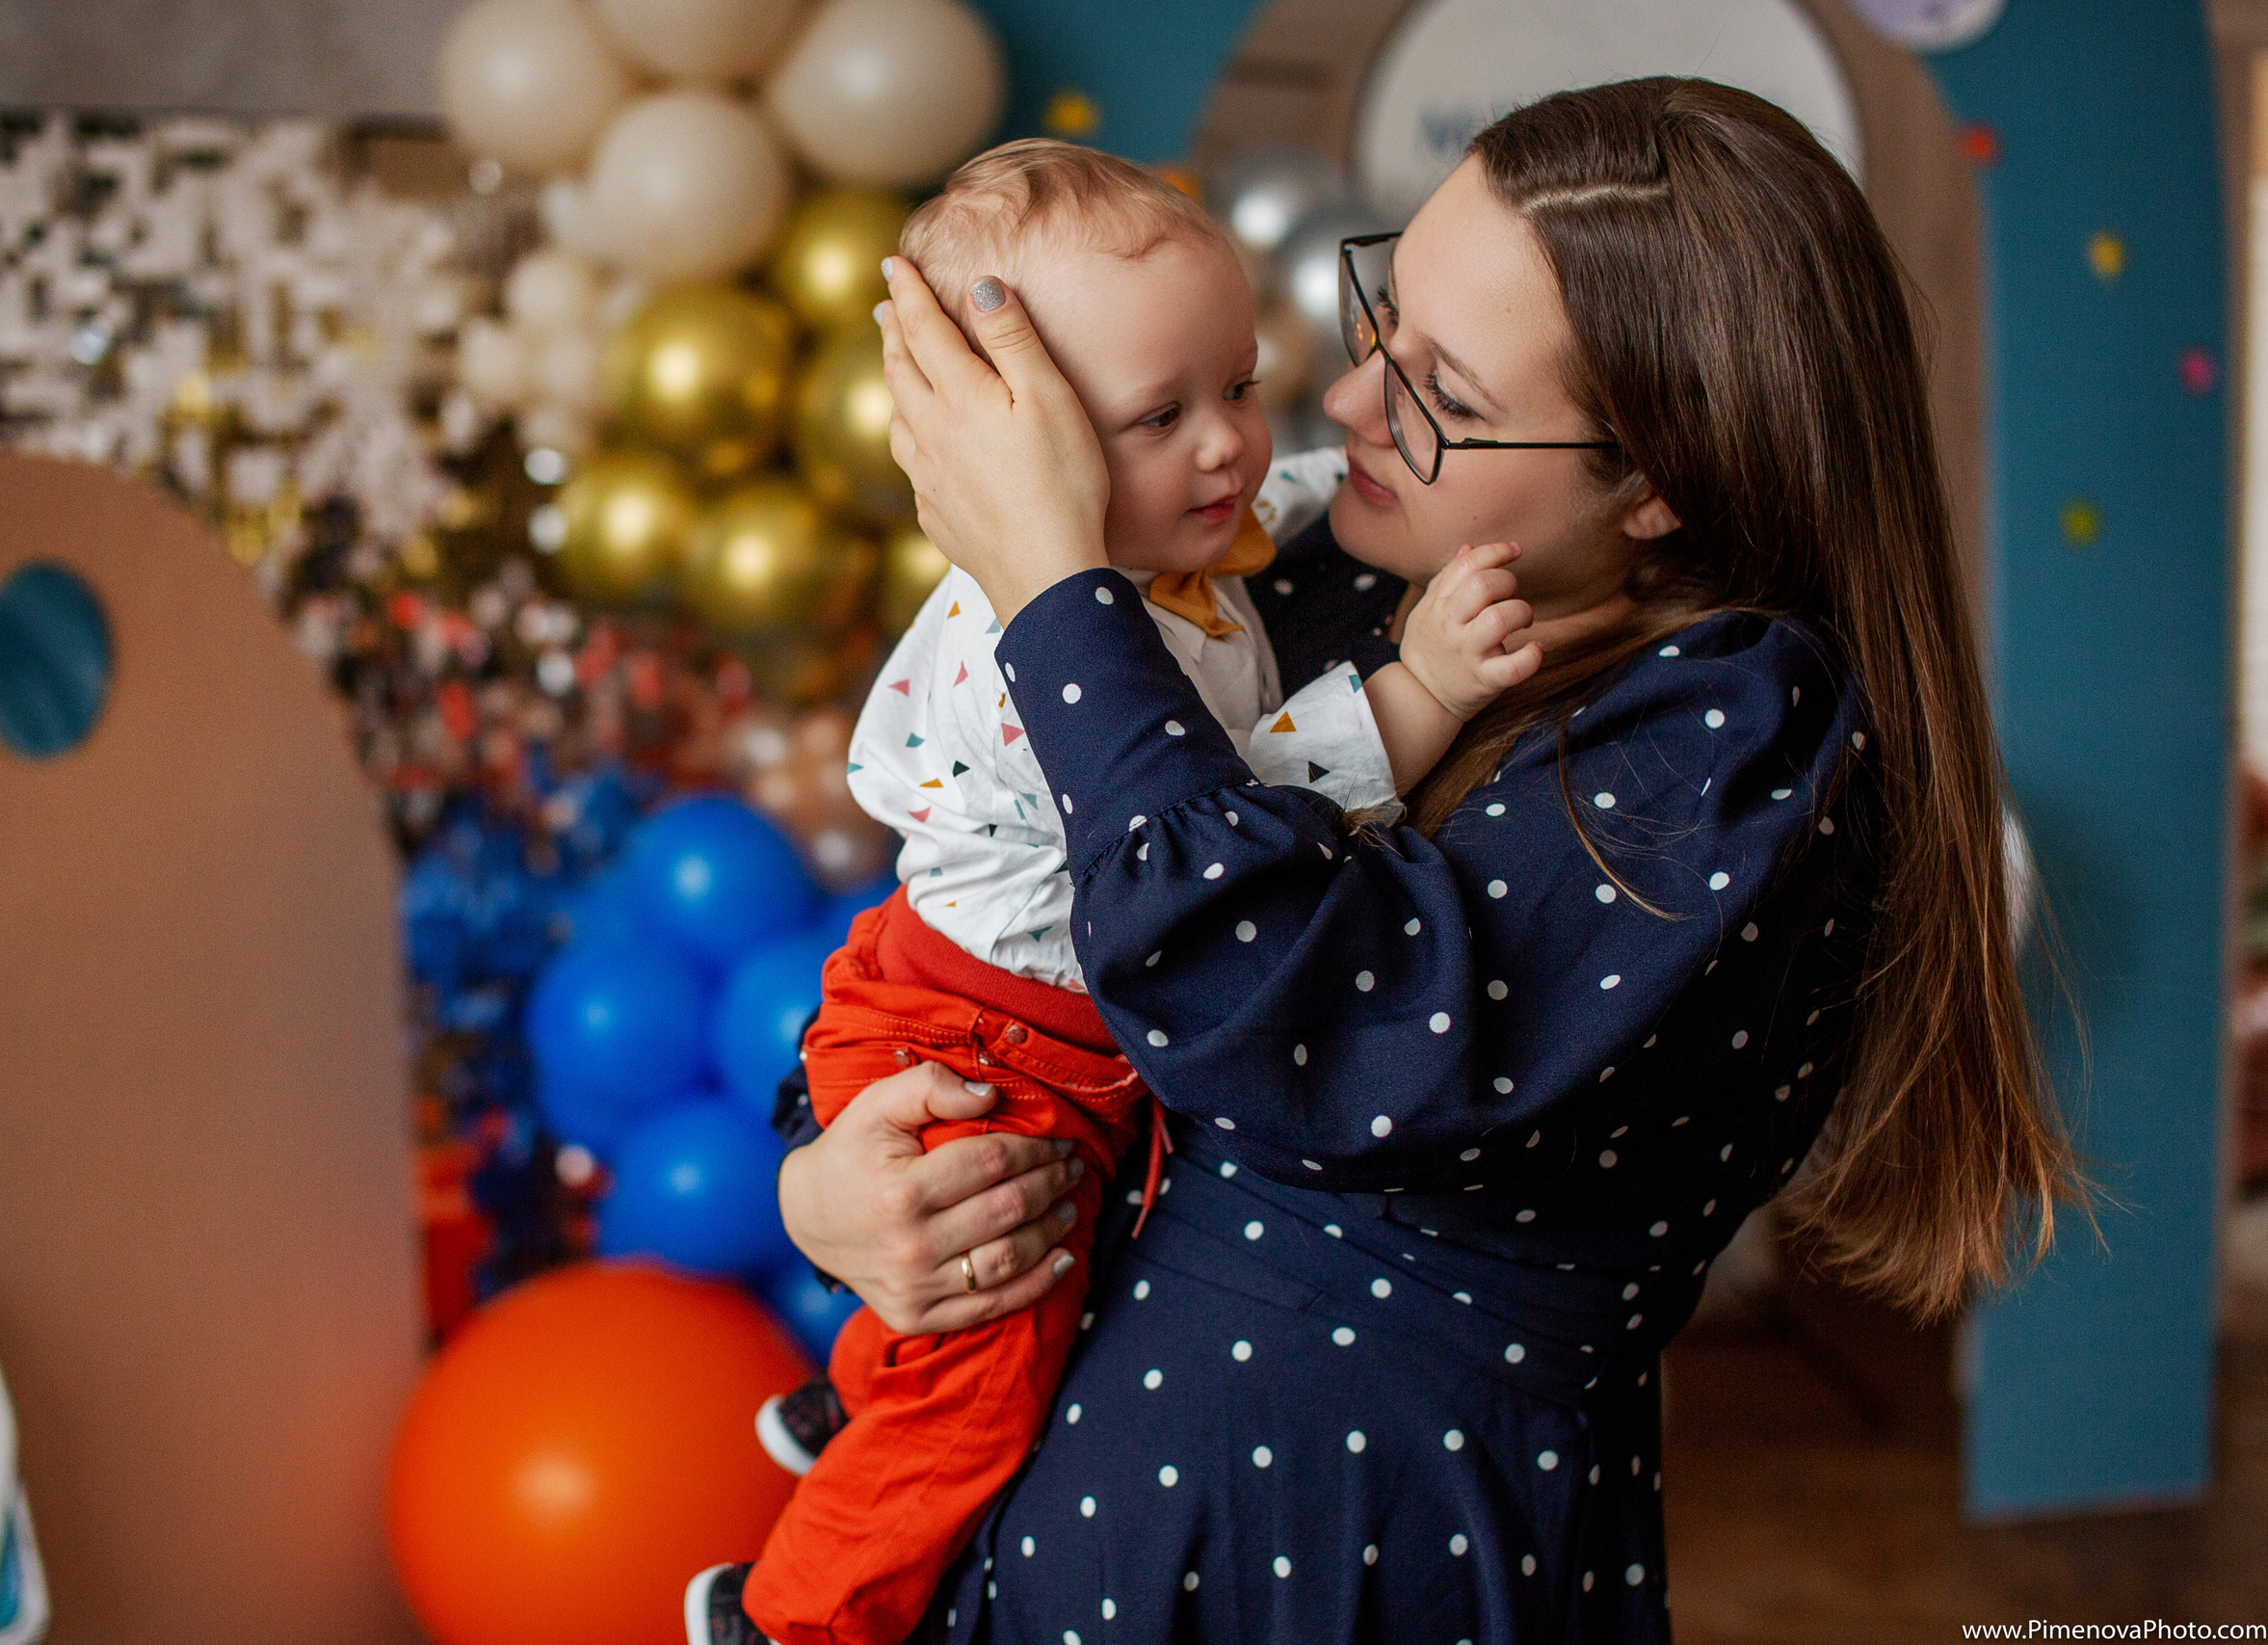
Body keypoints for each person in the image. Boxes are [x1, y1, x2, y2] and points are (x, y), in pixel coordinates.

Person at [778, 77, 2087, 1644]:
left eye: (1441, 388)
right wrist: (834, 1180)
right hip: (1061, 1515)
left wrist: (1059, 585)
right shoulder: (1310, 574)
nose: (1345, 401)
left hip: (1362, 1556)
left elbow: (1274, 1003)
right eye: (1380, 318)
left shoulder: (1745, 736)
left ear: (1663, 472)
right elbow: (992, 933)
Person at [692, 138, 1544, 1645]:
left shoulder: (1179, 538)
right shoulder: (1037, 655)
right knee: (980, 1390)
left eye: (1237, 383)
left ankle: (864, 1404)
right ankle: (782, 1615)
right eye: (1164, 416)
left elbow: (1291, 488)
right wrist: (1424, 687)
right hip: (974, 1039)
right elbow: (1222, 840)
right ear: (1021, 451)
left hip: (1021, 1023)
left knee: (1002, 1317)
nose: (1230, 445)